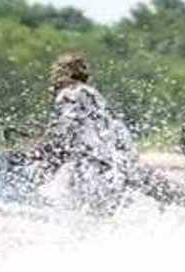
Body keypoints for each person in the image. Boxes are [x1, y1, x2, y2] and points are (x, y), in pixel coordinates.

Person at [20, 52, 142, 213]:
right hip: (110, 167)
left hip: (87, 167)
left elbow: (67, 128)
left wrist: (41, 141)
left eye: (56, 73)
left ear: (64, 73)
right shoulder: (93, 95)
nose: (53, 79)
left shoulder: (69, 93)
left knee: (57, 207)